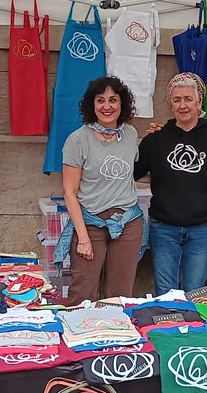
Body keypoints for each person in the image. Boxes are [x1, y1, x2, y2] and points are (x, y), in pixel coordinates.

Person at [134, 73, 207, 295]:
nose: (183, 105)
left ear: (200, 103)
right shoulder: (155, 139)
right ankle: (167, 329)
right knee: (165, 292)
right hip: (164, 228)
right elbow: (136, 173)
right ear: (170, 104)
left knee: (195, 292)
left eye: (189, 99)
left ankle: (192, 330)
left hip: (201, 229)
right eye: (177, 99)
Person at [57, 76, 145, 305]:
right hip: (91, 222)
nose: (107, 106)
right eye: (100, 100)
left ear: (122, 104)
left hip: (127, 222)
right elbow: (69, 192)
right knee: (82, 293)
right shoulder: (77, 140)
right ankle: (79, 337)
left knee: (120, 294)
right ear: (91, 105)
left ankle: (117, 338)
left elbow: (131, 173)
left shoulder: (131, 135)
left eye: (113, 100)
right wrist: (83, 237)